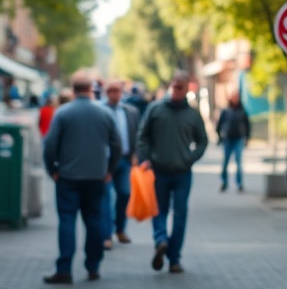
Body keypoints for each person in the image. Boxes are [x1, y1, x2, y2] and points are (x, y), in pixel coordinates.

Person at [42, 70, 122, 284]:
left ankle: (64, 269)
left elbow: (50, 145)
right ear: (91, 90)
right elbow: (117, 145)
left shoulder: (63, 113)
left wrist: (52, 169)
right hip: (96, 177)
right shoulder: (104, 113)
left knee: (67, 221)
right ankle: (93, 266)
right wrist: (109, 170)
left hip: (67, 177)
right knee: (94, 220)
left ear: (73, 90)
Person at [137, 71, 208, 274]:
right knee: (159, 209)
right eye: (174, 86)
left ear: (186, 89)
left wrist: (191, 158)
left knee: (180, 214)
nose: (176, 90)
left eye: (180, 87)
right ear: (170, 86)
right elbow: (142, 135)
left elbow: (203, 141)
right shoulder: (155, 109)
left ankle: (174, 258)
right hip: (158, 171)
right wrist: (145, 158)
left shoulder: (192, 114)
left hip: (182, 173)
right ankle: (161, 240)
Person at [101, 79, 139, 249]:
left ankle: (120, 228)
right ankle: (106, 235)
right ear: (106, 92)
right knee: (106, 198)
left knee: (125, 193)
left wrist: (136, 154)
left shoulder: (131, 111)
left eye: (117, 90)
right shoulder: (100, 111)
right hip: (105, 161)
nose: (114, 94)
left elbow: (137, 134)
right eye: (111, 90)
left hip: (124, 160)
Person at [216, 89, 250, 192]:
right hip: (228, 139)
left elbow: (248, 125)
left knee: (238, 162)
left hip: (238, 139)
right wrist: (220, 136)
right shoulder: (226, 111)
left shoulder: (242, 111)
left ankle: (239, 183)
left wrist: (247, 138)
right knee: (225, 162)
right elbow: (219, 125)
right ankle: (224, 182)